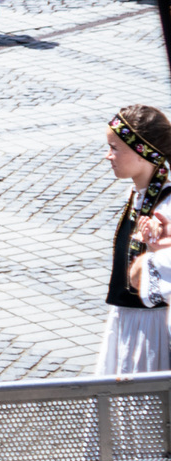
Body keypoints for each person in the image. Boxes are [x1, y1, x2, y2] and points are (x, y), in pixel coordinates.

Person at [99, 106, 171, 374]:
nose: (108, 156)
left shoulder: (165, 208)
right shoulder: (139, 196)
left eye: (115, 148)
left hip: (150, 329)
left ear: (142, 152)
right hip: (128, 319)